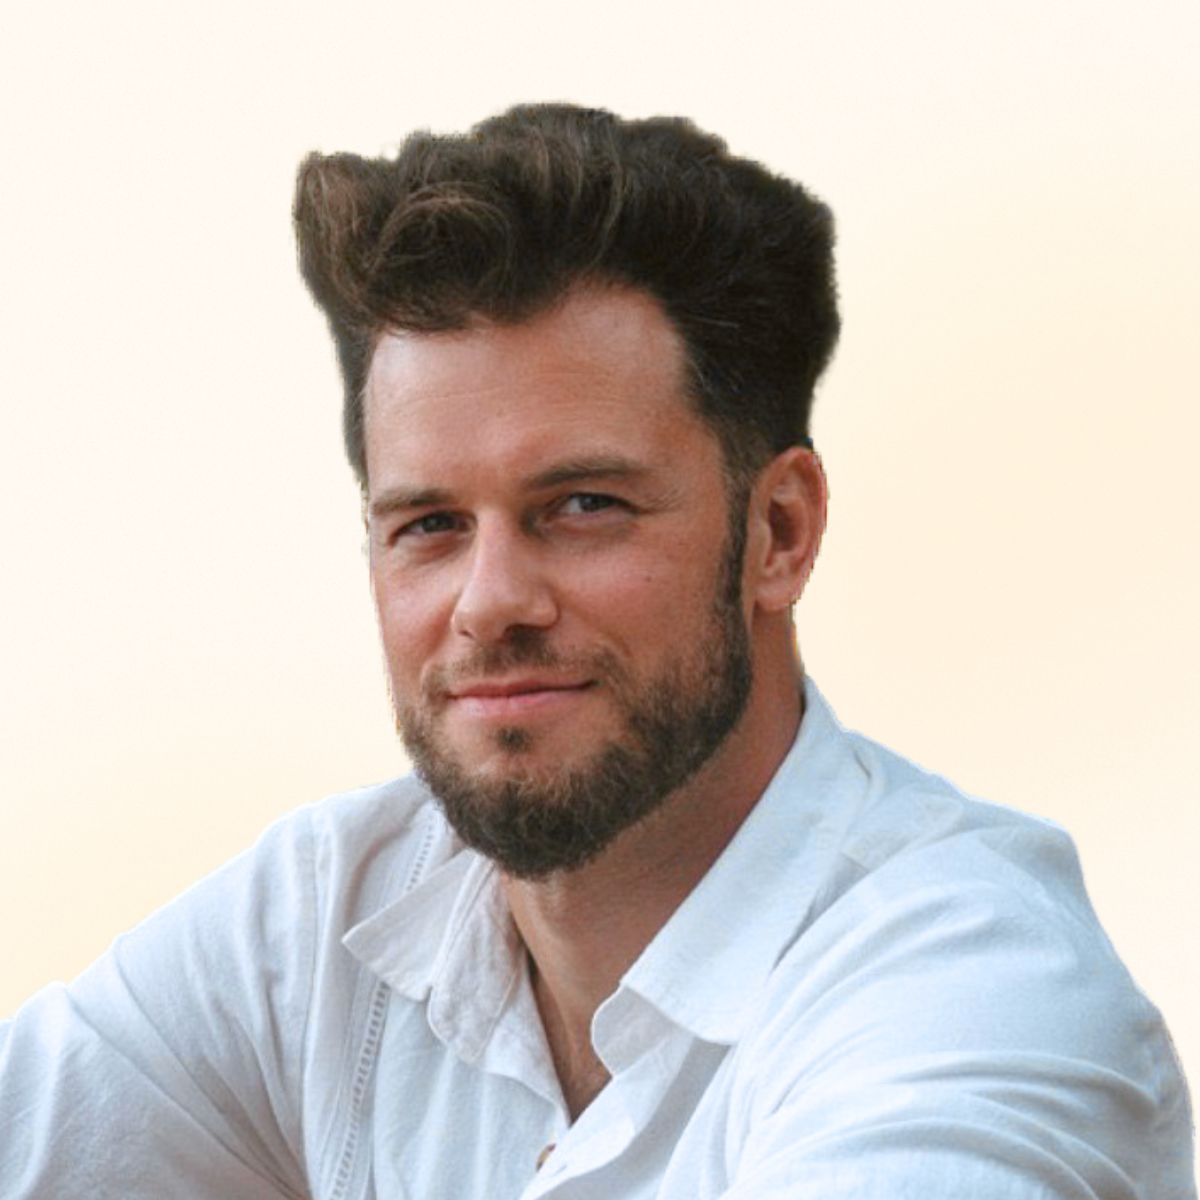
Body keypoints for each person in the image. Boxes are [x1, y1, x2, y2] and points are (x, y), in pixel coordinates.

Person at [1, 103, 1193, 1199]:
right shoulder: (327, 918)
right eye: (430, 524)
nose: (489, 604)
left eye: (582, 506)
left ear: (779, 533)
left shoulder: (973, 990)